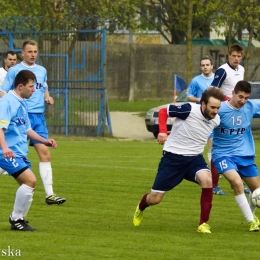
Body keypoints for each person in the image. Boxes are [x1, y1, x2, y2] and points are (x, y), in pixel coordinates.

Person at [133, 87, 226, 233]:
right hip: (173, 159)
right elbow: (163, 112)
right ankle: (141, 206)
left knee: (207, 180)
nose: (215, 111)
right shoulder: (189, 109)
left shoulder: (216, 119)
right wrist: (163, 131)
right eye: (212, 107)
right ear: (203, 104)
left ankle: (203, 224)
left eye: (218, 108)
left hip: (194, 159)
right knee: (154, 199)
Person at [0, 40, 66, 205]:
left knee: (45, 153)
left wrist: (47, 98)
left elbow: (43, 88)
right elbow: (3, 91)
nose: (33, 54)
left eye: (35, 51)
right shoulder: (15, 71)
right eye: (30, 51)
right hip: (18, 118)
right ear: (23, 53)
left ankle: (50, 195)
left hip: (36, 117)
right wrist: (10, 106)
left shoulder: (41, 70)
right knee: (10, 154)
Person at [0, 70, 57, 231]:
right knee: (30, 181)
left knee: (28, 187)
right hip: (7, 152)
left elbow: (27, 130)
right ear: (20, 86)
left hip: (18, 152)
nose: (34, 90)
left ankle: (19, 219)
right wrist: (4, 148)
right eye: (31, 86)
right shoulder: (7, 102)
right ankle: (16, 219)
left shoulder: (22, 103)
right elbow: (0, 128)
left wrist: (45, 140)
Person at [212, 80, 260, 232]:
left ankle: (251, 215)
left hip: (244, 155)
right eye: (240, 97)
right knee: (237, 183)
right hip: (223, 155)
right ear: (232, 93)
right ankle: (251, 222)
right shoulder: (220, 110)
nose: (243, 101)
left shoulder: (250, 106)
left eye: (246, 97)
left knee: (257, 191)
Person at [211, 43, 250, 194]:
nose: (236, 58)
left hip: (237, 111)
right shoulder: (222, 70)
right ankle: (214, 184)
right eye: (234, 56)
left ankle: (238, 181)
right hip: (223, 112)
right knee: (217, 148)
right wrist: (227, 98)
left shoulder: (241, 69)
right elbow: (212, 90)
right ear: (229, 55)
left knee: (238, 146)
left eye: (239, 56)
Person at [187, 57, 225, 195]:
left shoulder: (218, 79)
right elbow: (189, 96)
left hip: (217, 116)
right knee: (210, 146)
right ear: (200, 67)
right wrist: (202, 100)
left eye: (207, 65)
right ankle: (212, 179)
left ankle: (218, 174)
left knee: (222, 145)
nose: (205, 67)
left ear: (212, 66)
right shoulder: (196, 80)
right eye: (202, 65)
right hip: (203, 119)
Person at [0, 51, 17, 176]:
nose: (12, 61)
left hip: (12, 110)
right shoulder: (0, 73)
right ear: (5, 60)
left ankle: (7, 163)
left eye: (14, 59)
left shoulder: (17, 74)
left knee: (10, 136)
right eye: (10, 59)